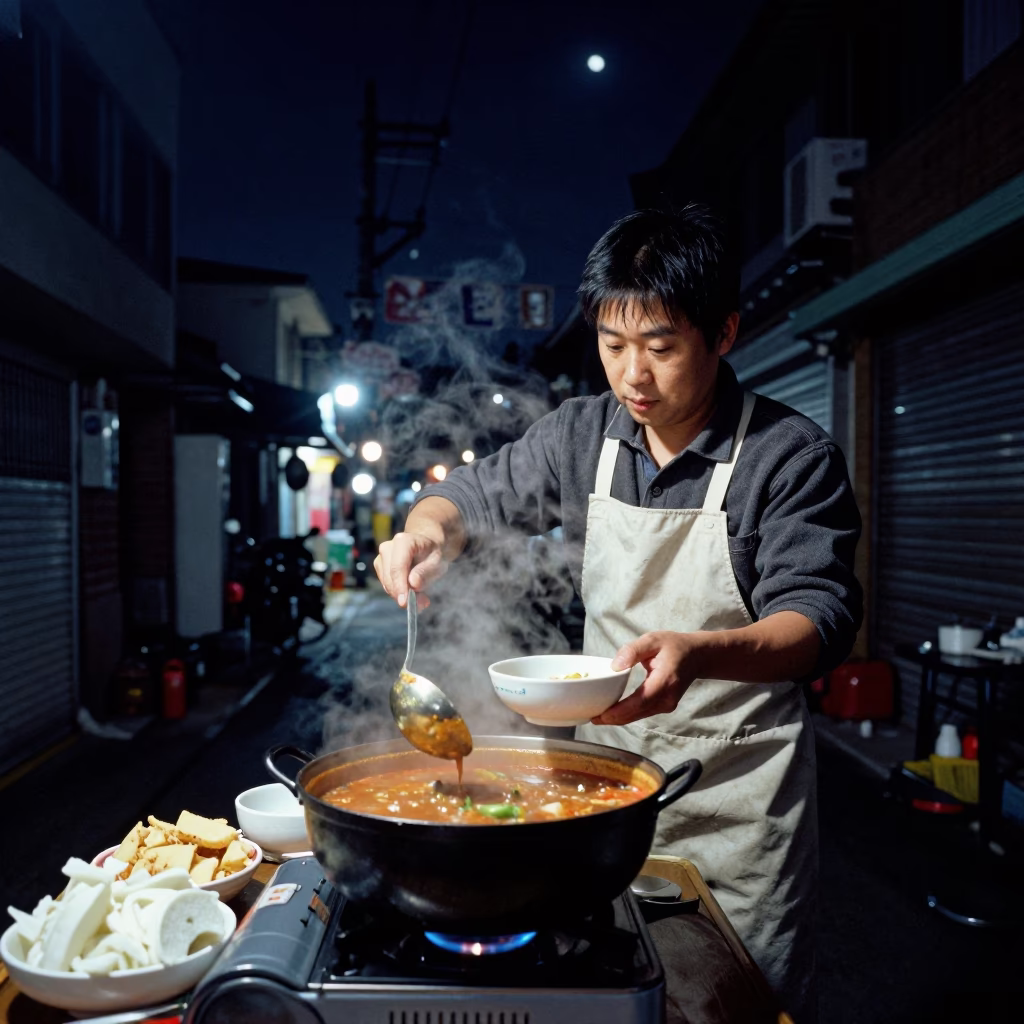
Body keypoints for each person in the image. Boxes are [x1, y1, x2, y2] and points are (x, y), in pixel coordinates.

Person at [374, 204, 862, 1022]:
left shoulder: (789, 456)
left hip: (736, 812)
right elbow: (469, 497)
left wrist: (700, 651)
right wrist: (423, 533)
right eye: (613, 344)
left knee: (733, 1004)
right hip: (599, 805)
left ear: (725, 333)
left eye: (661, 347)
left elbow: (817, 621)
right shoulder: (580, 434)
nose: (633, 375)